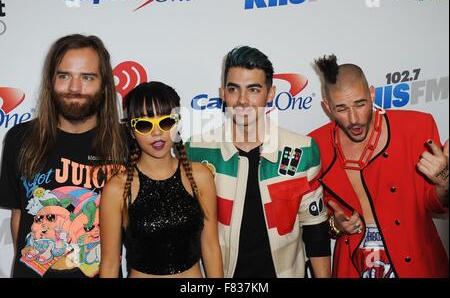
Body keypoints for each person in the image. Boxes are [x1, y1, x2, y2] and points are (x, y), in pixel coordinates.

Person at [186, 46, 331, 278]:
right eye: (234, 89)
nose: (242, 100)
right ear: (222, 93)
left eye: (253, 89)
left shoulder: (301, 150)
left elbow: (315, 229)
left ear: (270, 93)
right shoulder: (196, 150)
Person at [309, 54, 449, 278]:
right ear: (327, 108)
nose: (354, 118)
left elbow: (433, 202)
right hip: (353, 266)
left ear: (372, 94)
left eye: (361, 104)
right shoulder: (315, 147)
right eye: (341, 109)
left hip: (415, 261)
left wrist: (445, 182)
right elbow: (311, 222)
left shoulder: (416, 127)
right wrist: (335, 226)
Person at [0, 34, 127, 278]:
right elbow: (19, 216)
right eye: (64, 76)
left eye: (87, 77)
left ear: (104, 84)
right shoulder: (20, 138)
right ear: (51, 81)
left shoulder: (126, 142)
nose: (75, 88)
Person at [99, 82, 223, 278]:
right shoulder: (117, 188)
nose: (156, 132)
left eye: (166, 122)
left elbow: (211, 248)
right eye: (144, 125)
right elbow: (109, 264)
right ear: (132, 132)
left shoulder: (200, 177)